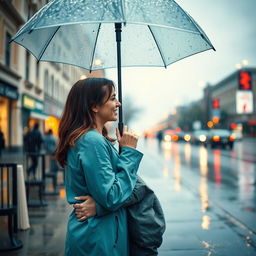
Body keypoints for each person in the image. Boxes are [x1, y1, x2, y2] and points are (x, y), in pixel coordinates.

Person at [55, 78, 143, 256]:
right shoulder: (92, 141)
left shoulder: (91, 139)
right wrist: (129, 154)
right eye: (112, 98)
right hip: (98, 238)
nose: (118, 103)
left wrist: (99, 206)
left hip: (98, 234)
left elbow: (106, 195)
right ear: (95, 106)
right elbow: (112, 196)